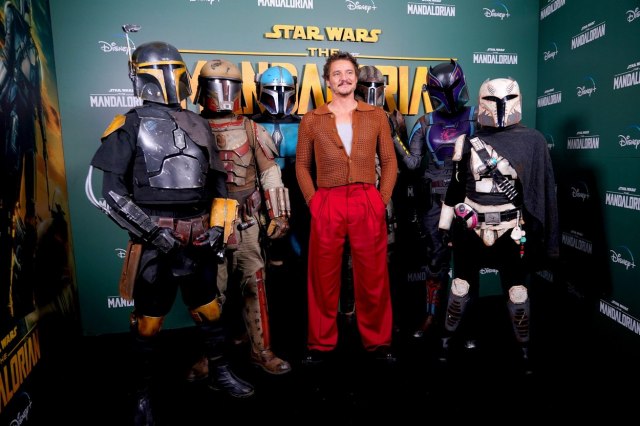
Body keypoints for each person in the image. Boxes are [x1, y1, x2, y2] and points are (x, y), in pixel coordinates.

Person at [88, 41, 255, 424]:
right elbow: (112, 193)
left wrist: (218, 227)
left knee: (209, 309)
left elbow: (219, 185)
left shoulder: (198, 123)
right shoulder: (128, 124)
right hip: (154, 239)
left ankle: (221, 372)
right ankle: (142, 392)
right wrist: (151, 233)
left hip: (199, 235)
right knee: (149, 321)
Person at [437, 77, 559, 374]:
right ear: (481, 103)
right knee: (460, 288)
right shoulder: (466, 142)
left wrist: (543, 235)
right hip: (470, 228)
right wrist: (444, 226)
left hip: (511, 229)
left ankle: (523, 348)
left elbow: (541, 190)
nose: (500, 106)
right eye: (492, 100)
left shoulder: (532, 141)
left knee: (517, 291)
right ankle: (447, 341)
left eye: (506, 99)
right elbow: (455, 189)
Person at [295, 51, 398, 364]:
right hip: (328, 200)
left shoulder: (376, 116)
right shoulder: (312, 119)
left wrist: (380, 199)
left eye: (349, 73)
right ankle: (320, 343)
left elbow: (390, 161)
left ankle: (378, 341)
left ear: (356, 78)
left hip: (367, 199)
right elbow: (301, 166)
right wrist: (314, 201)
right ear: (328, 81)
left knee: (373, 275)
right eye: (337, 74)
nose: (344, 78)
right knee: (322, 277)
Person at [194, 59, 292, 375]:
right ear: (202, 89)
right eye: (215, 85)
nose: (223, 93)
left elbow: (270, 173)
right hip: (209, 225)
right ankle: (210, 356)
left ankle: (261, 350)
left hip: (248, 222)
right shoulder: (192, 127)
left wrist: (279, 214)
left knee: (255, 283)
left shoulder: (251, 128)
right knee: (211, 293)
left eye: (229, 86)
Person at [392, 59, 477, 338]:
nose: (450, 96)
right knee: (435, 260)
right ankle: (431, 316)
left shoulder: (477, 117)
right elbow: (414, 164)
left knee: (467, 262)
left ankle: (465, 322)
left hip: (468, 198)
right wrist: (393, 136)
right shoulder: (425, 123)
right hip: (434, 202)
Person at [0, 0, 47, 323]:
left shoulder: (27, 51)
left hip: (23, 138)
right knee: (10, 217)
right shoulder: (15, 60)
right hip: (15, 140)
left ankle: (18, 299)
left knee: (22, 218)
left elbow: (37, 100)